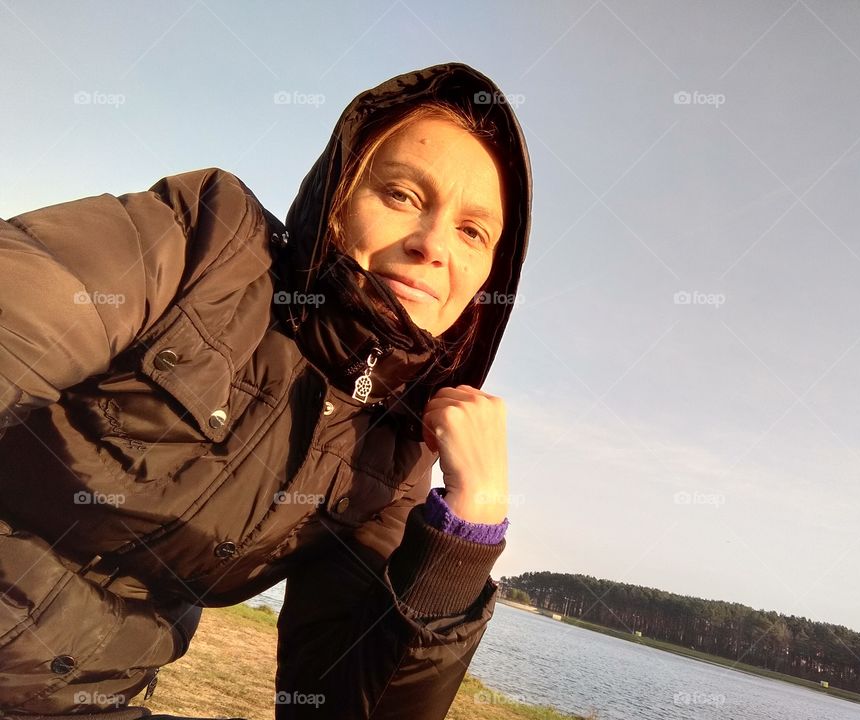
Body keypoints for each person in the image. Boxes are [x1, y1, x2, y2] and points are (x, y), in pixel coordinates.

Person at [0, 62, 532, 720]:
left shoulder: (396, 450)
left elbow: (338, 705)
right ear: (337, 199)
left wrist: (468, 529)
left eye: (473, 232)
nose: (433, 245)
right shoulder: (205, 242)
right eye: (401, 195)